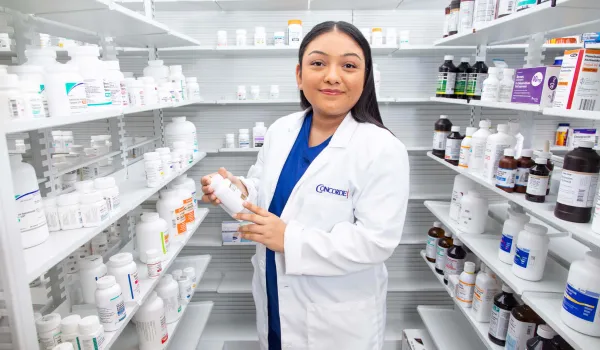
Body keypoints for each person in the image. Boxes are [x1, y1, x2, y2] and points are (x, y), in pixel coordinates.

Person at [201, 21, 409, 350]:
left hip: (336, 319)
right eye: (318, 63)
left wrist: (289, 239)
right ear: (299, 74)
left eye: (349, 65)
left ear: (365, 78)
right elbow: (265, 187)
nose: (332, 76)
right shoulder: (282, 130)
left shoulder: (383, 149)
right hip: (274, 290)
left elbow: (376, 242)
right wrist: (239, 189)